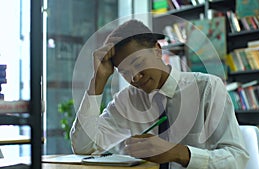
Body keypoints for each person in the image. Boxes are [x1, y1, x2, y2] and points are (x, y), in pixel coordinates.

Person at [70, 19, 249, 169]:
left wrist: (178, 153)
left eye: (138, 62)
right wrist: (98, 81)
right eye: (124, 71)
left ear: (157, 50)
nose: (134, 77)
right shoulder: (128, 100)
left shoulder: (207, 88)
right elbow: (84, 148)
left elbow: (237, 159)